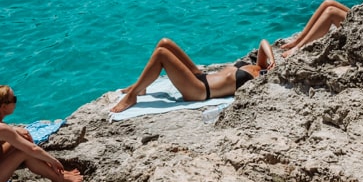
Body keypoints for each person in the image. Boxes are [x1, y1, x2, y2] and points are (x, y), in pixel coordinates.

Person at [0, 85, 83, 182]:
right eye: (14, 99)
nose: (15, 101)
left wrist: (15, 131)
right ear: (3, 106)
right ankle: (59, 179)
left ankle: (56, 174)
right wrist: (54, 162)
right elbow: (33, 149)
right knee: (24, 152)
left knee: (23, 139)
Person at [110, 37, 275, 114]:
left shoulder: (260, 80)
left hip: (201, 90)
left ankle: (132, 95)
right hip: (201, 77)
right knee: (165, 43)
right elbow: (263, 42)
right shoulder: (259, 65)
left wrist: (270, 70)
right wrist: (273, 60)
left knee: (161, 54)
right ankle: (142, 86)